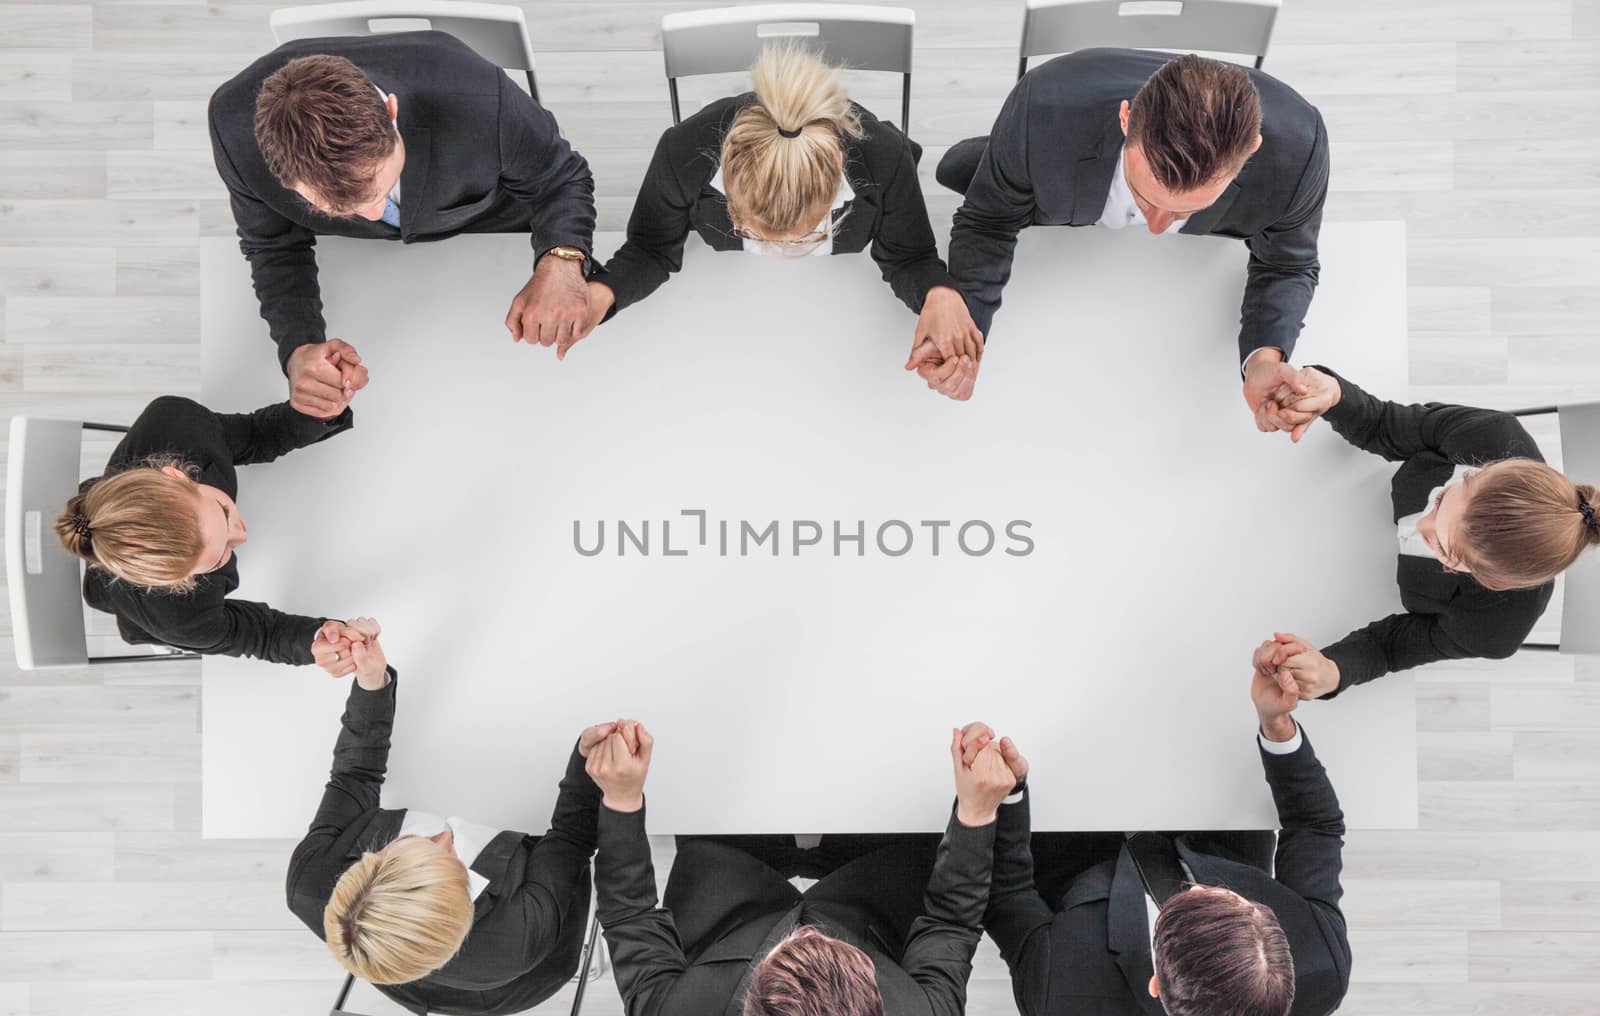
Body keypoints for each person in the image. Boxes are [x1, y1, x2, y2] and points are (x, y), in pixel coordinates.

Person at [971, 659, 1350, 1016]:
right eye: (1237, 900)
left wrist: (1010, 793)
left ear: (1155, 983)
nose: (1207, 885)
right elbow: (1317, 826)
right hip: (1213, 823)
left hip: (1074, 853)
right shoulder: (1322, 967)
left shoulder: (1058, 997)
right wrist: (1278, 729)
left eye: (1190, 899)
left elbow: (1007, 894)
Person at [209, 31, 597, 418]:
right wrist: (299, 348)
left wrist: (561, 259)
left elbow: (562, 177)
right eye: (340, 208)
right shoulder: (232, 128)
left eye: (378, 189)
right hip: (366, 272)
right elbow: (273, 245)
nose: (376, 216)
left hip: (493, 233)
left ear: (391, 112)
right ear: (285, 179)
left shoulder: (479, 97)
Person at [588, 722, 1015, 1016]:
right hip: (872, 887)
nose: (806, 926)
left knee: (726, 737)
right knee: (897, 747)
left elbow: (631, 919)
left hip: (730, 896)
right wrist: (978, 814)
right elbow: (951, 924)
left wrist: (621, 800)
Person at [934, 49, 1328, 412]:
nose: (1155, 228)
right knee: (961, 170)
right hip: (1059, 154)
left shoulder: (1300, 150)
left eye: (1183, 211)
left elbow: (1288, 266)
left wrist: (1263, 360)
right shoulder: (1043, 102)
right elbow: (989, 221)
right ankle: (1001, 157)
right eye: (1144, 198)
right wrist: (964, 335)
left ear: (1252, 150)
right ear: (1125, 119)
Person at [574, 44, 982, 393]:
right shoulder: (682, 153)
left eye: (803, 236)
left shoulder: (886, 160)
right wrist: (604, 293)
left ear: (839, 170)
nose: (781, 249)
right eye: (751, 229)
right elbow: (651, 245)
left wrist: (938, 294)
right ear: (726, 171)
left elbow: (909, 257)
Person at [288, 618, 610, 1016]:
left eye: (400, 848)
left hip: (404, 967)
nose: (441, 836)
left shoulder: (310, 881)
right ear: (467, 908)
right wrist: (588, 761)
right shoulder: (515, 936)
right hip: (520, 975)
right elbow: (573, 840)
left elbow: (354, 776)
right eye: (451, 860)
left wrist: (372, 684)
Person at [1253, 366, 1597, 697]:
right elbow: (1382, 423)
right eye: (1441, 499)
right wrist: (1330, 394)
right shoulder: (1492, 435)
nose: (1418, 526)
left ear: (1491, 582)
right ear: (1478, 470)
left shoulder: (1497, 627)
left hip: (1346, 590)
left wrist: (1334, 671)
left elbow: (1392, 649)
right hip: (1337, 489)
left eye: (1443, 550)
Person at [56, 394, 364, 671]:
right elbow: (260, 635)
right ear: (181, 583)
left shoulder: (174, 422)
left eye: (224, 511)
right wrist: (317, 639)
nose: (243, 535)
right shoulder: (178, 618)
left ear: (178, 475)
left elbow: (258, 433)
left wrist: (318, 410)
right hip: (142, 611)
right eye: (219, 558)